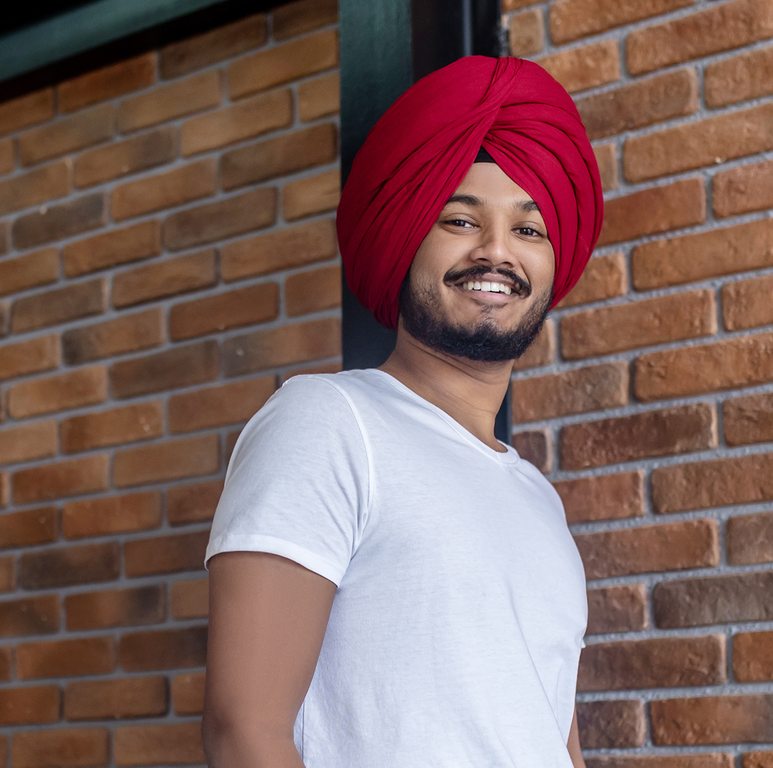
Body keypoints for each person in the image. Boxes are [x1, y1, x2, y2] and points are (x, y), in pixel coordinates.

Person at [200, 55, 605, 768]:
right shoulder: (328, 424)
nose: (496, 253)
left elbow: (545, 741)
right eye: (460, 218)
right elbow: (246, 730)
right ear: (406, 236)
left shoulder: (539, 501)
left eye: (529, 230)